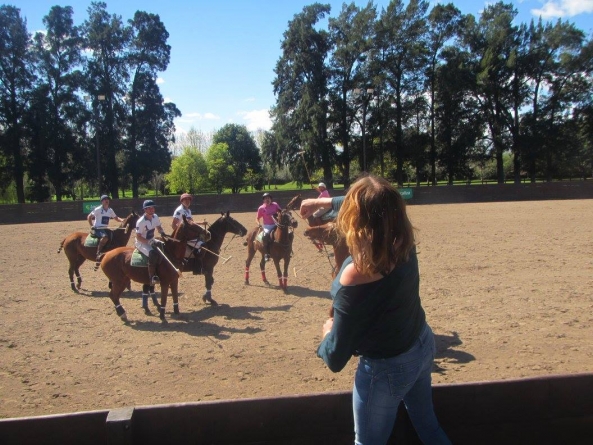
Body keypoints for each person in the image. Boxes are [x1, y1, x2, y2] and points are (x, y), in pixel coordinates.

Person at [316, 175, 451, 445]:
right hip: (422, 344)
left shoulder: (353, 277)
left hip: (386, 369)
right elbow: (378, 204)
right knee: (429, 428)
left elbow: (335, 358)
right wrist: (323, 200)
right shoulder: (404, 244)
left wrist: (326, 332)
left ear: (355, 220)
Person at [135, 200, 167, 285]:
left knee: (163, 245)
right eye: (149, 208)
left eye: (152, 207)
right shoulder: (141, 221)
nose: (151, 209)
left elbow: (159, 227)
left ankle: (162, 270)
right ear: (145, 210)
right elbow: (138, 237)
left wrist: (162, 233)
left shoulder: (155, 216)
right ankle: (152, 277)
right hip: (141, 242)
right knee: (152, 253)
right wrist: (148, 242)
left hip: (151, 239)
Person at [172, 193, 204, 274]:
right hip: (183, 236)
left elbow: (192, 223)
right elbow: (173, 225)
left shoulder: (188, 210)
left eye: (189, 199)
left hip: (189, 234)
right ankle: (197, 268)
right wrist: (180, 235)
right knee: (201, 246)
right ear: (181, 201)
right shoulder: (179, 210)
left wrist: (201, 223)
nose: (187, 201)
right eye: (185, 199)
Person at [87, 194, 124, 265]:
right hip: (98, 228)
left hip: (105, 228)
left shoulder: (110, 210)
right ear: (102, 201)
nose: (107, 200)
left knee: (113, 236)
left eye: (107, 199)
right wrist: (92, 226)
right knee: (105, 237)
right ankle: (98, 252)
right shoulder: (98, 209)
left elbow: (116, 218)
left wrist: (123, 220)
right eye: (105, 199)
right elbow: (89, 217)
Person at [256, 192, 282, 262]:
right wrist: (259, 224)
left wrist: (278, 214)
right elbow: (257, 218)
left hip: (276, 224)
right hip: (268, 226)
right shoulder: (261, 208)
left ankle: (289, 250)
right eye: (265, 199)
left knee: (287, 232)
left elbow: (280, 212)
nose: (267, 200)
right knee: (265, 236)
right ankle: (266, 254)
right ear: (263, 200)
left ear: (271, 199)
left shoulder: (275, 205)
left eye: (268, 198)